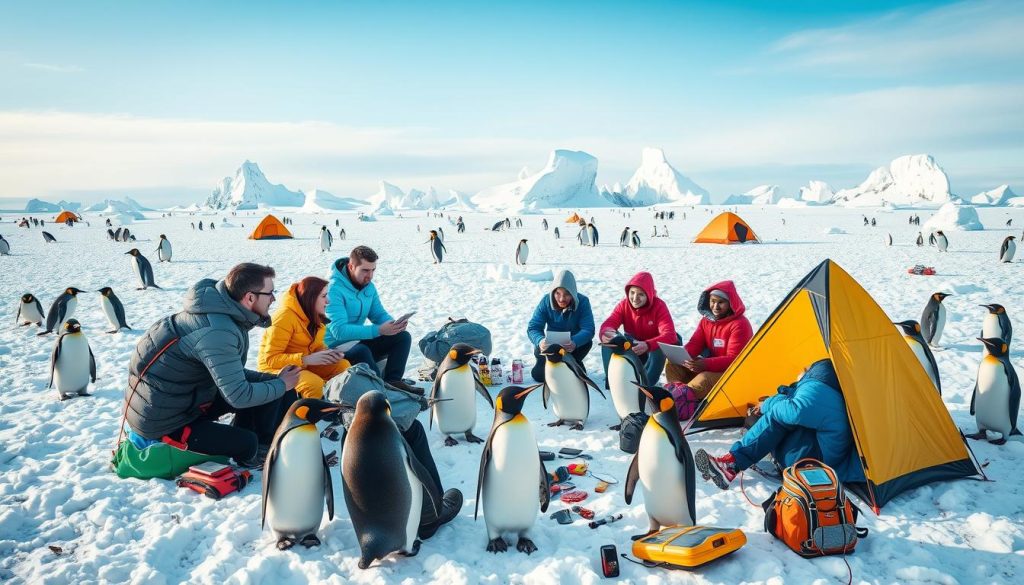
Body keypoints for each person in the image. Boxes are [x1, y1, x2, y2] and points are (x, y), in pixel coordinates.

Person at [123, 263, 300, 467]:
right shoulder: (217, 331)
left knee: (274, 386)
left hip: (180, 398)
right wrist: (281, 384)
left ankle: (266, 440)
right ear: (250, 298)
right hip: (164, 421)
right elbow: (239, 395)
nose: (273, 299)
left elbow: (229, 373)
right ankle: (253, 448)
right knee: (247, 443)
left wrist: (276, 382)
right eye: (270, 293)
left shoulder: (219, 313)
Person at [694, 360, 865, 490]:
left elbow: (796, 410)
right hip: (818, 455)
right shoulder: (830, 389)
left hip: (813, 464)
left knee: (776, 416)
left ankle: (732, 464)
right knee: (777, 412)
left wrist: (768, 406)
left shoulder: (819, 383)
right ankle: (733, 462)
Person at [324, 246, 419, 393]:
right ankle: (381, 391)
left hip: (357, 340)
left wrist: (393, 325)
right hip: (335, 348)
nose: (370, 275)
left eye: (373, 270)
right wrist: (378, 330)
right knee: (362, 351)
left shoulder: (369, 287)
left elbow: (378, 314)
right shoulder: (333, 290)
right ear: (351, 266)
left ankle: (393, 381)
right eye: (365, 270)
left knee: (402, 337)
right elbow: (339, 331)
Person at [258, 276, 350, 399]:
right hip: (278, 369)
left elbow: (315, 346)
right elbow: (271, 358)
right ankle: (319, 416)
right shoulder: (285, 317)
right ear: (310, 299)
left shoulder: (314, 315)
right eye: (323, 296)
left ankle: (343, 405)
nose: (328, 301)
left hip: (304, 363)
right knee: (314, 385)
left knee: (343, 367)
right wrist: (305, 359)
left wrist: (328, 353)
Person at [665, 281, 753, 401]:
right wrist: (682, 356)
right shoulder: (706, 321)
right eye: (713, 301)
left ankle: (681, 401)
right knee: (672, 365)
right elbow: (696, 343)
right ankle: (678, 394)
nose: (715, 306)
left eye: (721, 302)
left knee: (704, 378)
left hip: (732, 373)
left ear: (730, 304)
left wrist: (705, 364)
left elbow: (735, 359)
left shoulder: (740, 324)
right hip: (711, 366)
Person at [598, 271, 678, 384]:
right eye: (632, 292)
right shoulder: (624, 305)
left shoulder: (659, 306)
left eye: (640, 294)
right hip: (633, 345)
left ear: (649, 295)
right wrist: (607, 332)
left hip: (652, 349)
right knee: (610, 340)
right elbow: (609, 323)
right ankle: (612, 380)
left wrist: (648, 344)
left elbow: (670, 335)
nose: (635, 298)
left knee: (660, 347)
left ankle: (647, 384)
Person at [526, 269, 595, 382]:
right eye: (558, 293)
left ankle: (574, 363)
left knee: (576, 376)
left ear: (573, 293)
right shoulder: (546, 301)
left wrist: (575, 342)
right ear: (553, 291)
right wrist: (540, 340)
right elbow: (533, 327)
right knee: (539, 375)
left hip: (573, 347)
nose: (562, 298)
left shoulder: (583, 302)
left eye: (567, 294)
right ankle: (568, 366)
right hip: (551, 348)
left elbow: (588, 329)